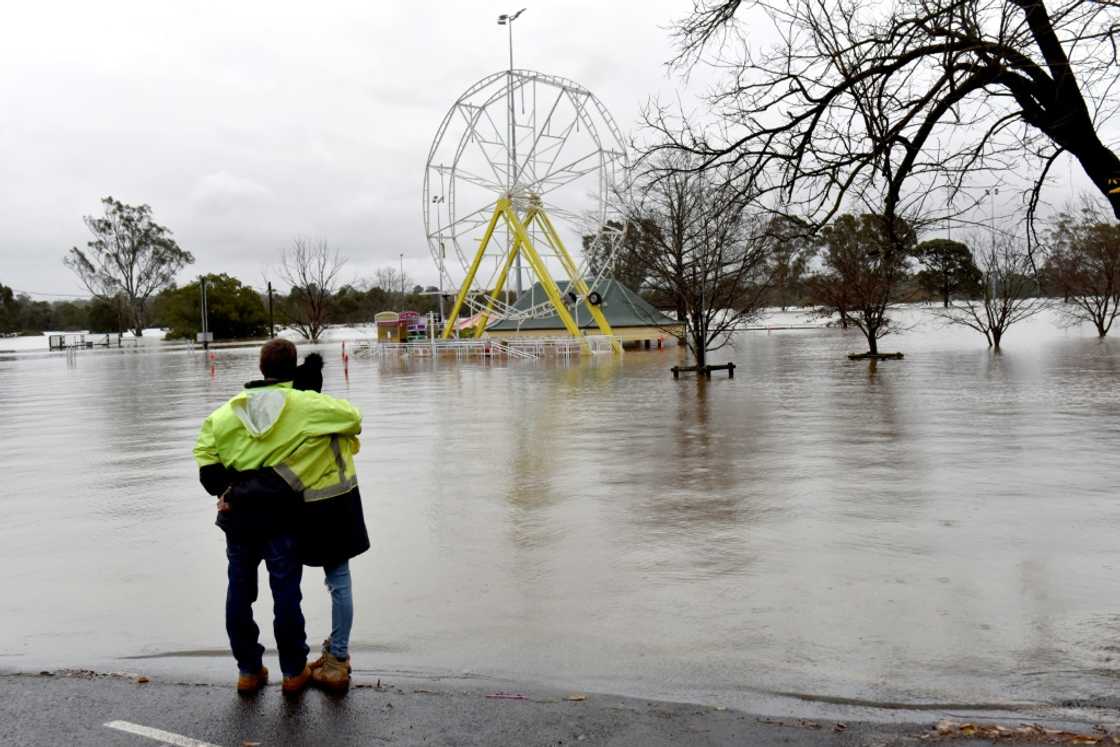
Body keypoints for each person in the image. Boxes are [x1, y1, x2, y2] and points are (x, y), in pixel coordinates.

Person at [194, 339, 362, 696]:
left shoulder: (227, 412)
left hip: (237, 516)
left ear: (260, 368)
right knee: (286, 594)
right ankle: (293, 672)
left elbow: (205, 455)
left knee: (239, 592)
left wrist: (227, 490)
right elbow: (352, 419)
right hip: (281, 514)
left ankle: (248, 670)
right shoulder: (305, 405)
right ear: (293, 367)